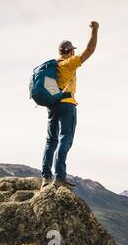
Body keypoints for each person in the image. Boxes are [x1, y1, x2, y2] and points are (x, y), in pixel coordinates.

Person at [41, 21, 99, 189]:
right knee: (65, 138)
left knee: (50, 141)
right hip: (67, 105)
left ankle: (45, 177)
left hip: (53, 106)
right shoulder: (68, 64)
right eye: (73, 50)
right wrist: (94, 30)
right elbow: (90, 50)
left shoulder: (52, 66)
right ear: (69, 52)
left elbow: (51, 89)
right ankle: (59, 177)